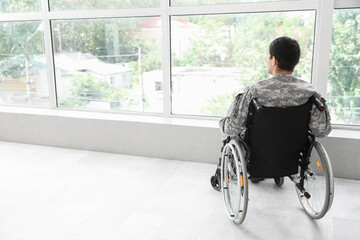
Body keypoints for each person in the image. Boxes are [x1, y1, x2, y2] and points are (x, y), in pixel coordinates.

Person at [219, 36, 331, 183]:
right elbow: (322, 131)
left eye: (268, 56)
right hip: (292, 151)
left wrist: (222, 123)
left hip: (258, 152)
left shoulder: (255, 91)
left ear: (274, 60)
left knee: (228, 128)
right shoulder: (310, 93)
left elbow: (233, 127)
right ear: (296, 62)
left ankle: (247, 170)